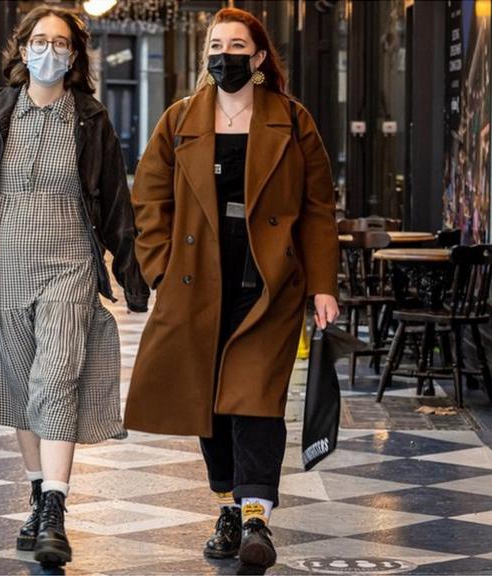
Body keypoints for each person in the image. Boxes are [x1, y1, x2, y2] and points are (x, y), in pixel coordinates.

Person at [0, 5, 149, 568]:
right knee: (23, 387)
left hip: (70, 268)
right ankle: (37, 492)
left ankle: (54, 508)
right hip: (4, 271)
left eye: (60, 42)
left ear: (75, 56)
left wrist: (133, 277)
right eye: (39, 39)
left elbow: (116, 207)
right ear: (22, 47)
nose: (48, 50)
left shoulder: (90, 118)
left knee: (57, 377)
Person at [126, 7, 339, 569]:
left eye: (237, 46)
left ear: (260, 57)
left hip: (268, 283)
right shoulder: (178, 120)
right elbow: (149, 203)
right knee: (209, 399)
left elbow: (318, 208)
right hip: (195, 283)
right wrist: (159, 270)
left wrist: (322, 284)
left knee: (256, 399)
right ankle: (226, 503)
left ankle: (256, 518)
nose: (225, 54)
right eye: (216, 45)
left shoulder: (293, 121)